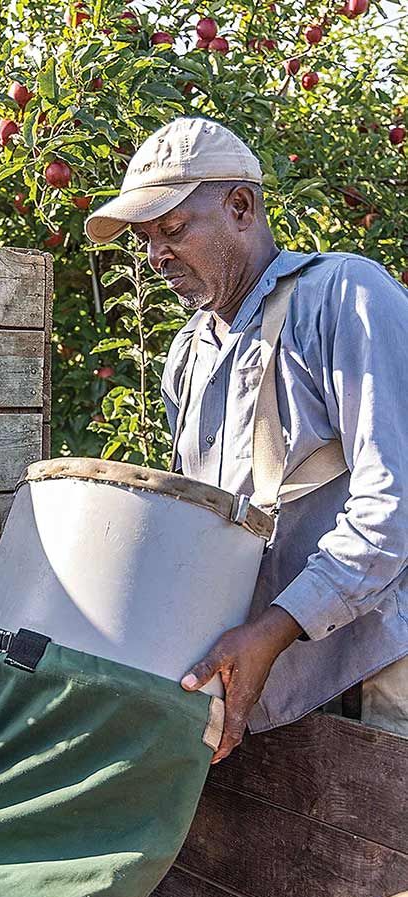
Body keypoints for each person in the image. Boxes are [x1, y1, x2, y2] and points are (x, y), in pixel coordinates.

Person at [84, 115, 408, 761]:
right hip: (261, 678)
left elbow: (394, 502)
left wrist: (274, 629)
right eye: (146, 240)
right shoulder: (188, 352)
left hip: (373, 671)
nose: (155, 257)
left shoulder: (343, 296)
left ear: (240, 206)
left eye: (172, 230)